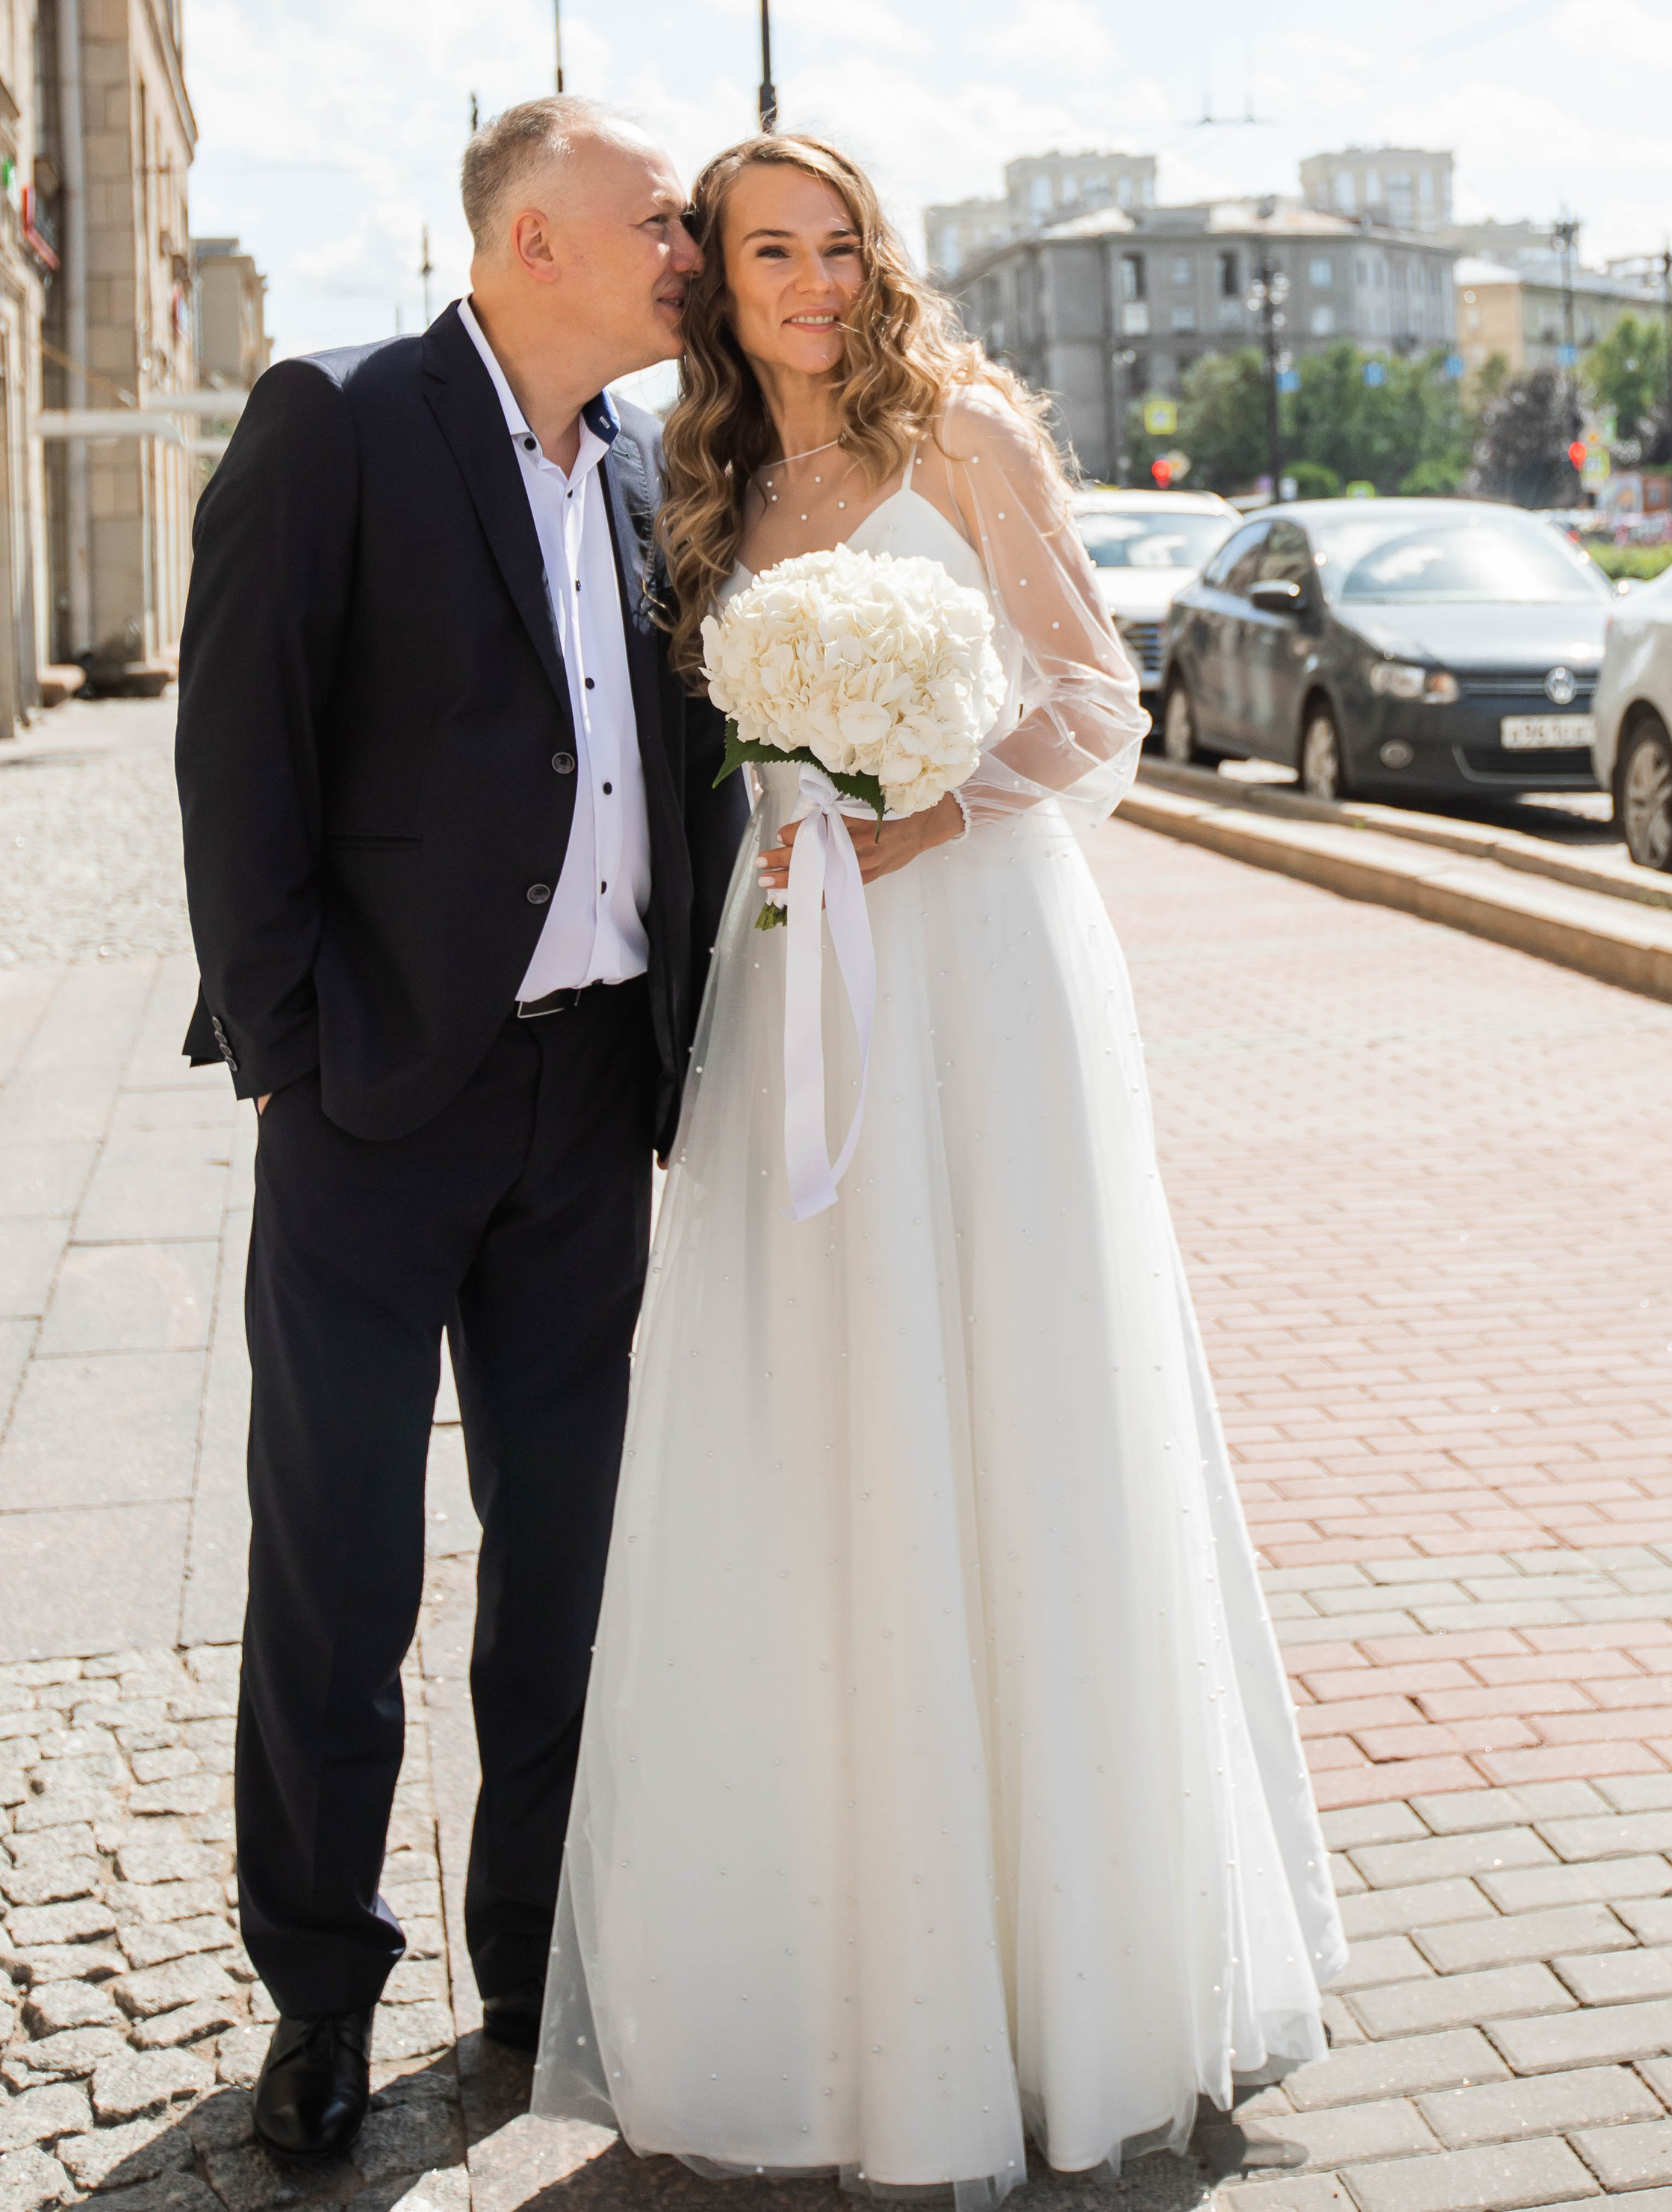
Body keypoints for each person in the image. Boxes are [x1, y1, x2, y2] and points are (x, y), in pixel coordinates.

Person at [532, 133, 1345, 2202]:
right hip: (800, 977)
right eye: (769, 253)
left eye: (840, 247)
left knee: (1015, 1404)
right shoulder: (704, 480)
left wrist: (924, 798)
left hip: (979, 969)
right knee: (818, 1429)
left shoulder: (960, 430)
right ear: (714, 277)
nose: (812, 284)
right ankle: (833, 1967)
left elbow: (1096, 700)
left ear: (880, 265)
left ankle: (1061, 1975)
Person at [175, 99, 746, 2162]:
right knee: (335, 1556)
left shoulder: (644, 475)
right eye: (653, 219)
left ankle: (534, 1968)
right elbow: (237, 743)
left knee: (568, 1554)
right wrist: (290, 1048)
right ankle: (320, 1993)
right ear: (528, 243)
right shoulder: (336, 421)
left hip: (586, 1104)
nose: (684, 246)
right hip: (372, 1103)